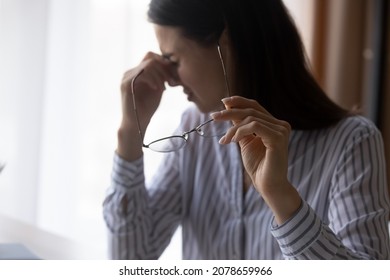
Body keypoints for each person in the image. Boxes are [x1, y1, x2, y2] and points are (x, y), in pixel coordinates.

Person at [103, 0, 390, 259]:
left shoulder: (351, 142)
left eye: (173, 60)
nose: (172, 81)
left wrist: (281, 195)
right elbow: (131, 257)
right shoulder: (192, 131)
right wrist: (130, 132)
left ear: (226, 42)